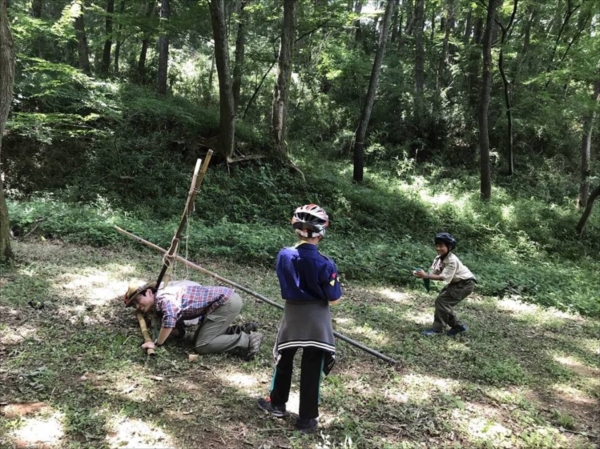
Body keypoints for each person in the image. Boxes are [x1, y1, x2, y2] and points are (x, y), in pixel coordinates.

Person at [257, 204, 342, 433]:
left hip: (292, 314)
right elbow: (334, 299)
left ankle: (276, 403)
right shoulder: (325, 263)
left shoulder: (284, 255)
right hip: (317, 319)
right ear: (323, 230)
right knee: (312, 365)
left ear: (296, 228)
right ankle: (307, 419)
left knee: (284, 357)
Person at [123, 279, 263, 359]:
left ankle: (248, 340)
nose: (137, 306)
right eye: (134, 305)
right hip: (221, 304)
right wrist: (159, 322)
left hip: (226, 302)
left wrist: (156, 343)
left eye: (138, 301)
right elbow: (180, 332)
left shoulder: (163, 298)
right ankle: (238, 330)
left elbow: (169, 323)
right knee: (198, 340)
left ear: (148, 292)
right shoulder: (159, 307)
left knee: (203, 345)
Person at [413, 232, 476, 337]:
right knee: (442, 303)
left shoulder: (452, 260)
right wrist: (420, 274)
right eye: (437, 245)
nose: (438, 248)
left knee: (442, 302)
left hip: (465, 284)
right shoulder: (438, 258)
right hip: (455, 283)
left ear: (449, 247)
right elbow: (433, 273)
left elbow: (443, 277)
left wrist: (426, 276)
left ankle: (437, 330)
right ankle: (458, 327)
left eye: (441, 246)